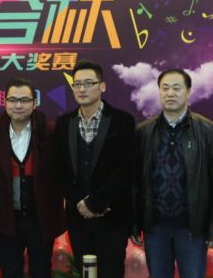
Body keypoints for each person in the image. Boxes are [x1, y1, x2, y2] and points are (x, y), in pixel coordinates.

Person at [132, 68, 213, 278]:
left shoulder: (207, 130)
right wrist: (134, 225)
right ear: (159, 91)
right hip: (155, 228)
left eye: (176, 88)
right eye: (165, 88)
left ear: (188, 92)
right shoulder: (143, 132)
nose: (170, 93)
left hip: (192, 229)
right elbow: (134, 183)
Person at [53, 60, 135, 276]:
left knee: (110, 272)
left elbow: (125, 168)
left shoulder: (122, 120)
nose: (82, 89)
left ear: (102, 86)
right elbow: (59, 169)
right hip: (78, 218)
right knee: (85, 273)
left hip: (113, 218)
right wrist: (80, 204)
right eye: (77, 84)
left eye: (89, 83)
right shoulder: (64, 123)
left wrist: (96, 203)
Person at [0, 77, 64, 278]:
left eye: (25, 100)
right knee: (10, 272)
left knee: (41, 271)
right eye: (13, 100)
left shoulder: (49, 132)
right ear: (5, 102)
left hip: (40, 219)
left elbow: (61, 173)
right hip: (7, 220)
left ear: (34, 103)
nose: (18, 105)